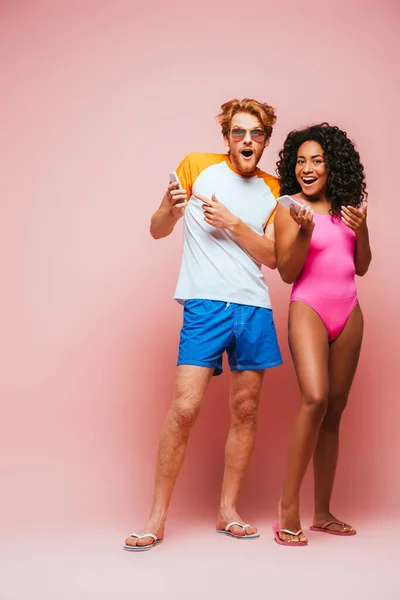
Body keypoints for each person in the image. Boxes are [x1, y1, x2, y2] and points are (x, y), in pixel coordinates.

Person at [124, 98, 283, 551]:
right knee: (185, 409)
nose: (247, 140)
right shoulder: (197, 168)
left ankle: (227, 512)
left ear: (266, 139)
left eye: (256, 133)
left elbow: (272, 257)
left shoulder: (276, 188)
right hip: (205, 306)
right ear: (227, 138)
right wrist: (169, 211)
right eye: (238, 132)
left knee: (247, 410)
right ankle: (155, 519)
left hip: (254, 307)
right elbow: (157, 229)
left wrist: (233, 223)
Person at [272, 123, 371, 546]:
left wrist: (362, 227)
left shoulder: (349, 205)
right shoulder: (287, 206)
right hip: (308, 307)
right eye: (301, 160)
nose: (308, 168)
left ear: (333, 165)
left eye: (317, 160)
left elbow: (362, 266)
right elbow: (287, 272)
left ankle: (323, 512)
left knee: (334, 410)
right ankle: (287, 508)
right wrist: (305, 232)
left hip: (349, 310)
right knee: (314, 398)